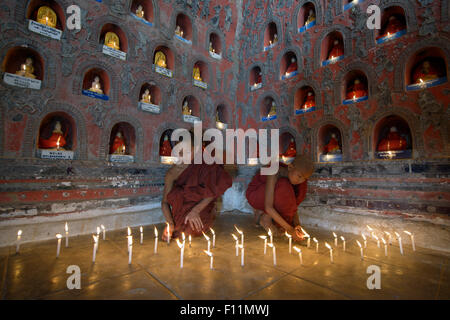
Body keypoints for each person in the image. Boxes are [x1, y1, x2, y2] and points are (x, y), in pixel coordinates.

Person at [161, 139, 232, 240]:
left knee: (190, 230)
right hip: (180, 212)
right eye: (179, 152)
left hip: (201, 209)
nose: (182, 155)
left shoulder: (206, 165)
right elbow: (164, 202)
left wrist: (195, 211)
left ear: (196, 150)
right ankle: (177, 225)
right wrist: (170, 224)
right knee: (177, 232)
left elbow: (212, 192)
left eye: (187, 152)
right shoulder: (171, 174)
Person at [246, 154, 314, 241]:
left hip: (270, 196)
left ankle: (263, 214)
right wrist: (290, 229)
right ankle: (265, 219)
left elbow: (292, 204)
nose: (301, 181)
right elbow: (269, 207)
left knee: (288, 188)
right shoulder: (274, 172)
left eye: (304, 178)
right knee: (284, 186)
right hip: (256, 194)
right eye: (299, 176)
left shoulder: (293, 178)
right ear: (290, 167)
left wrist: (297, 225)